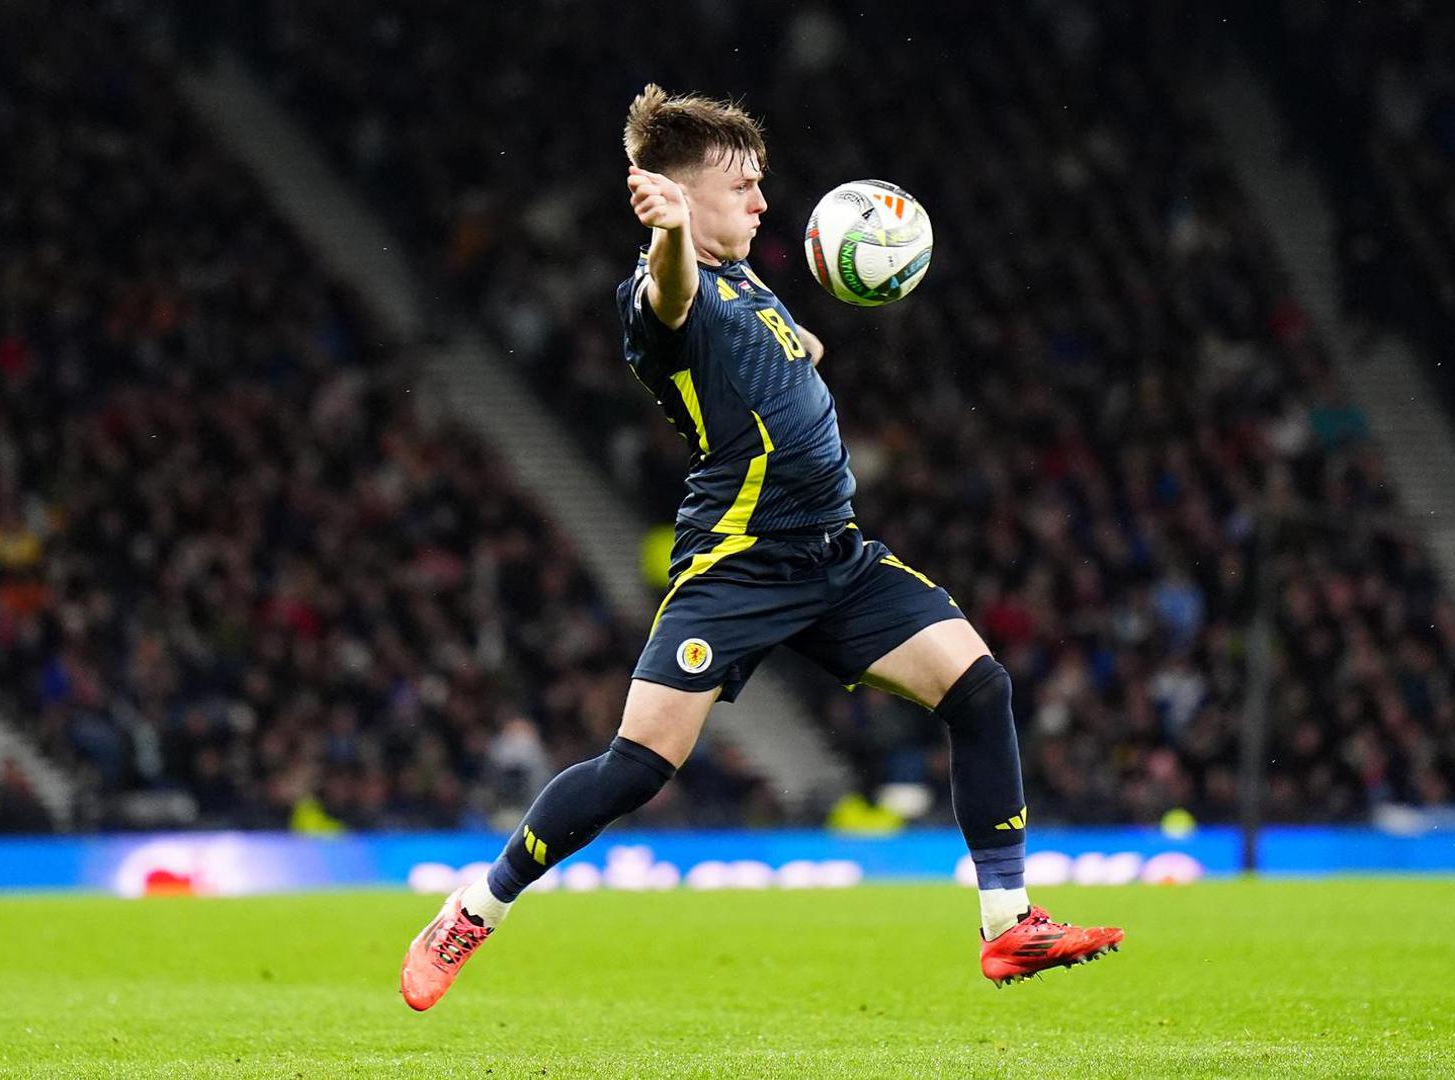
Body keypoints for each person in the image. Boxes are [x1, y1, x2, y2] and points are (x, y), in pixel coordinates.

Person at [400, 85, 1122, 1011]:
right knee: (637, 768)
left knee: (980, 688)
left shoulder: (745, 284)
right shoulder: (661, 292)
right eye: (742, 186)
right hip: (737, 564)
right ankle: (476, 907)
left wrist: (801, 349)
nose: (762, 202)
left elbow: (780, 349)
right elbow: (670, 297)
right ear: (679, 195)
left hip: (834, 558)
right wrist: (667, 234)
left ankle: (1008, 923)